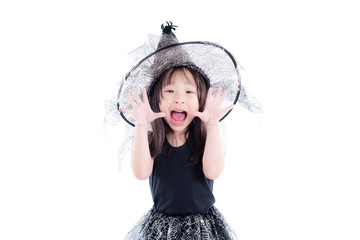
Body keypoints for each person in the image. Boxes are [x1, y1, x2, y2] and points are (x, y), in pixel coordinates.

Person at [113, 21, 261, 239]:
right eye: (170, 90)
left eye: (189, 92)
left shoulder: (202, 136)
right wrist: (142, 125)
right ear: (156, 101)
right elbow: (140, 172)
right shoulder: (153, 139)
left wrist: (212, 125)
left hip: (203, 226)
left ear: (201, 101)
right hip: (163, 227)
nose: (179, 98)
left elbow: (213, 171)